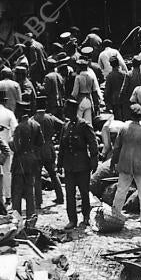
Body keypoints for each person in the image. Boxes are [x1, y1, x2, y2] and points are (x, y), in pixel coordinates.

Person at [110, 104, 141, 229]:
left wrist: (112, 163)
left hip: (125, 164)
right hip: (140, 165)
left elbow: (116, 148)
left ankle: (115, 215)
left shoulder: (123, 129)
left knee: (121, 190)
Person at [57, 97, 98, 229]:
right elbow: (62, 146)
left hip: (82, 165)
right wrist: (59, 164)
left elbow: (93, 144)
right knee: (70, 194)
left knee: (84, 192)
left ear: (73, 110)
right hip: (69, 166)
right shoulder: (66, 126)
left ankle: (86, 216)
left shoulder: (84, 125)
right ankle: (72, 220)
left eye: (67, 110)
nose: (65, 112)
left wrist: (94, 162)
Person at [10, 103, 44, 226]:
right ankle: (31, 218)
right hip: (32, 161)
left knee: (17, 192)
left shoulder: (19, 127)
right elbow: (40, 143)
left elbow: (16, 147)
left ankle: (17, 219)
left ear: (20, 112)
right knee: (30, 191)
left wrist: (10, 143)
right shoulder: (36, 125)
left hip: (20, 163)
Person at [33, 97, 64, 206]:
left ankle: (38, 202)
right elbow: (63, 125)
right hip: (49, 149)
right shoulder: (51, 118)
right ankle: (60, 197)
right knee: (53, 174)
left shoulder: (32, 120)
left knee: (36, 177)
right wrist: (58, 137)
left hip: (37, 151)